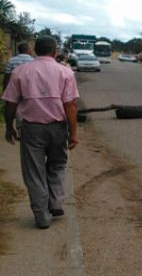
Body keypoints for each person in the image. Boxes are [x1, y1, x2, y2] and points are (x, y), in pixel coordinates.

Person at [3, 36, 79, 229]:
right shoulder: (66, 72)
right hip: (58, 127)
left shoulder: (20, 72)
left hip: (31, 129)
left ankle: (42, 217)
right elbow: (70, 105)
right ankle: (56, 203)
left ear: (34, 51)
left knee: (34, 172)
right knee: (57, 165)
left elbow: (10, 103)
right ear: (54, 52)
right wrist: (73, 133)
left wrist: (9, 126)